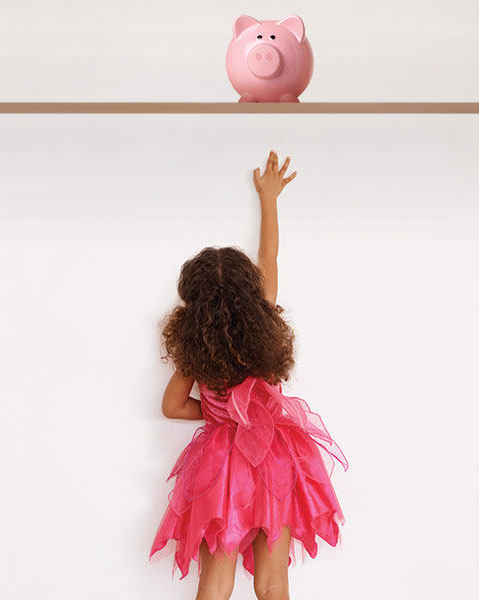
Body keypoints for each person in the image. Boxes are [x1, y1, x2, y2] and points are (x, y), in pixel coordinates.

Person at [148, 150, 348, 600]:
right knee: (274, 583)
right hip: (276, 456)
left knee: (215, 582)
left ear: (193, 305)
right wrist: (270, 197)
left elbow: (172, 406)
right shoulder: (266, 323)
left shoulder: (194, 351)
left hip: (222, 466)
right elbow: (269, 255)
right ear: (250, 291)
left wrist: (220, 416)